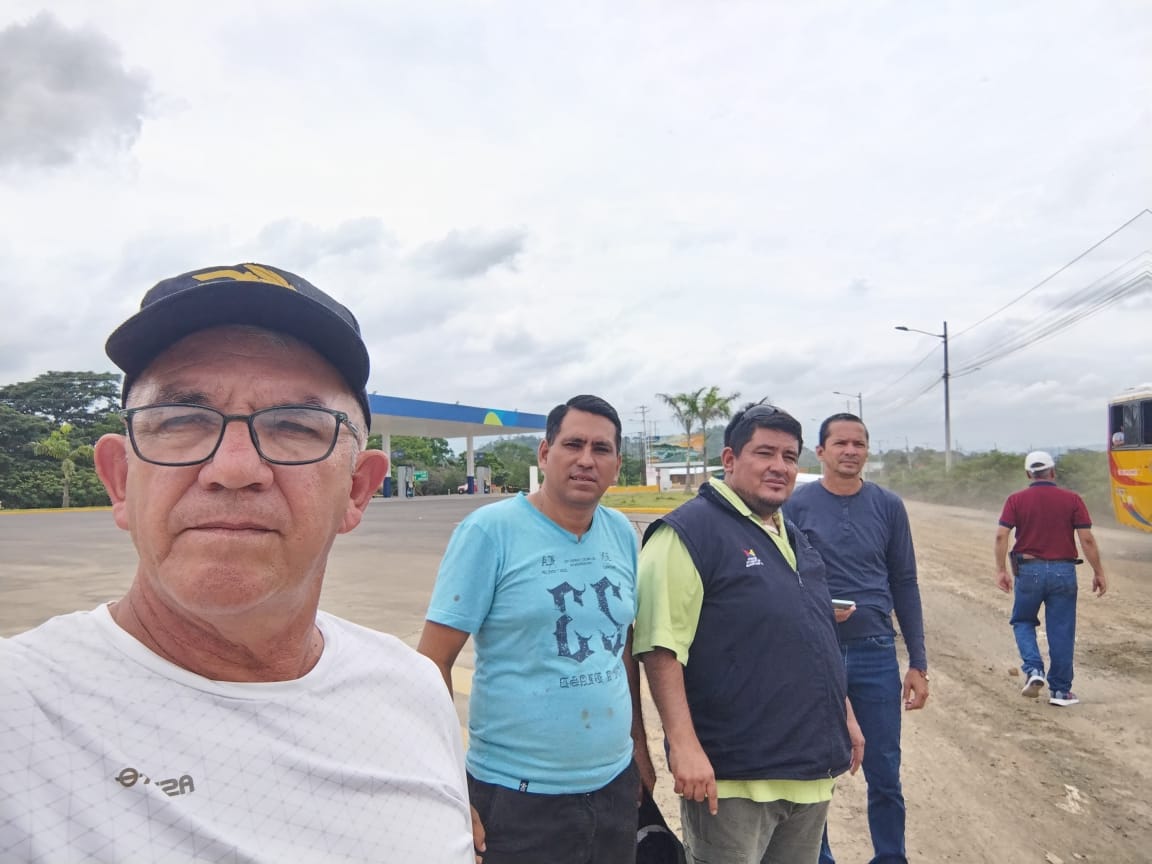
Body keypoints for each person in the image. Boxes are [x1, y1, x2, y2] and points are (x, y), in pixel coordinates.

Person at [0, 263, 474, 862]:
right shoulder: (19, 713)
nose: (233, 469)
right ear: (120, 479)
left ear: (357, 490)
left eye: (294, 426)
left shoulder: (412, 692)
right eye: (181, 420)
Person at [418, 394, 656, 864]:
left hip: (613, 786)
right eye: (573, 444)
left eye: (601, 449)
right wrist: (448, 784)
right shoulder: (490, 532)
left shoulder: (621, 533)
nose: (586, 460)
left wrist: (639, 751)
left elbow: (621, 648)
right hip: (516, 798)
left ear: (616, 465)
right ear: (545, 454)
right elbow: (432, 662)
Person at [634, 402, 863, 864]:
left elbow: (814, 635)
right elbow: (660, 647)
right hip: (733, 778)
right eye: (765, 453)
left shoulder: (792, 536)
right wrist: (684, 746)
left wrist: (846, 716)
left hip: (808, 773)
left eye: (789, 456)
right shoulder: (688, 533)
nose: (780, 466)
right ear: (730, 459)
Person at [785, 413, 928, 864]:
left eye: (859, 444)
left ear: (867, 451)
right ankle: (819, 857)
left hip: (875, 652)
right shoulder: (796, 506)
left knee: (885, 771)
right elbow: (782, 580)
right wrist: (816, 608)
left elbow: (905, 582)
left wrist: (918, 662)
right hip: (815, 653)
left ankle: (891, 856)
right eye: (841, 443)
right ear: (821, 452)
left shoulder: (888, 506)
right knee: (814, 770)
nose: (850, 451)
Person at [995, 450, 1107, 707]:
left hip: (1028, 570)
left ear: (1028, 475)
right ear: (1053, 472)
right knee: (1061, 629)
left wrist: (1000, 569)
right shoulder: (1073, 499)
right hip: (1064, 571)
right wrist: (1098, 572)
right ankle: (1061, 691)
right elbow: (1087, 539)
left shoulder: (1015, 500)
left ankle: (1034, 669)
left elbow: (1001, 535)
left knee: (1023, 621)